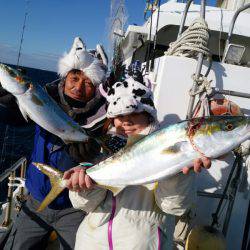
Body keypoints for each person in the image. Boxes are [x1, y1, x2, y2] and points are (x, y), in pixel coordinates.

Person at [64, 76, 211, 250]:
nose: (125, 121)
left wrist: (176, 174)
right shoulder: (103, 149)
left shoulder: (168, 148)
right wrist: (82, 187)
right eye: (119, 115)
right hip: (90, 244)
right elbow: (86, 205)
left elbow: (174, 208)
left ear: (148, 115)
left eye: (134, 113)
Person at [2, 37, 108, 250]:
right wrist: (5, 103)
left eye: (88, 83)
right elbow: (15, 118)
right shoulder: (45, 95)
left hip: (76, 207)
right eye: (75, 78)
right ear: (66, 76)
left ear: (96, 88)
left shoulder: (103, 118)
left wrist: (91, 157)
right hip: (35, 200)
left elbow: (106, 159)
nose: (78, 87)